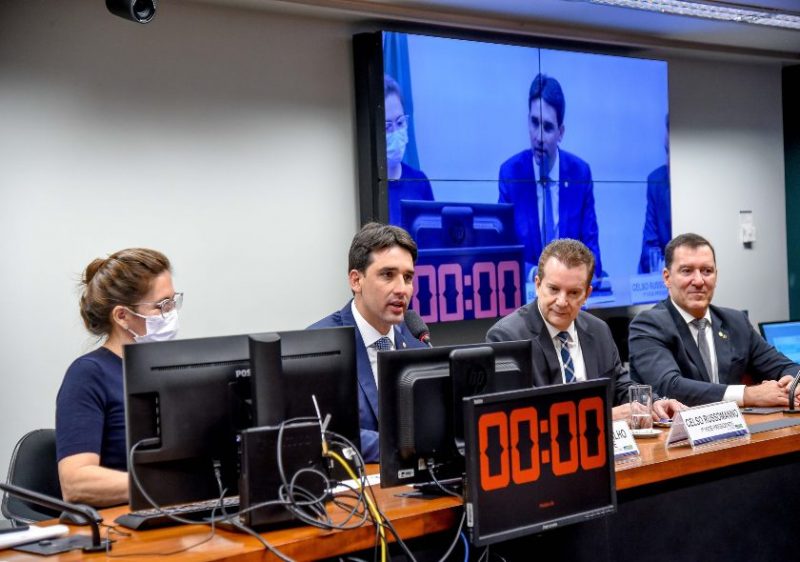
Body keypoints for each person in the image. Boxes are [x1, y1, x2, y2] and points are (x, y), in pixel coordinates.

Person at [487, 238, 683, 421]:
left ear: (587, 294)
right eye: (553, 289)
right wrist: (606, 416)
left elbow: (620, 386)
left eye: (573, 292)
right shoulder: (507, 337)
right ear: (538, 285)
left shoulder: (598, 331)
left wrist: (653, 403)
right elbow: (521, 415)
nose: (561, 301)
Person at [56, 248, 181, 506]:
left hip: (177, 510)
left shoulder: (171, 368)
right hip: (121, 518)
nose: (171, 313)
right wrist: (166, 486)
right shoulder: (88, 374)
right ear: (122, 316)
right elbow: (75, 483)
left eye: (173, 302)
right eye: (162, 306)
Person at [629, 233, 800, 407]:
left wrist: (792, 384)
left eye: (707, 271)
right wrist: (747, 394)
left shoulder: (736, 322)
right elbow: (670, 387)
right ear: (667, 277)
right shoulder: (648, 325)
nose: (698, 281)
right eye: (687, 271)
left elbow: (787, 367)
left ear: (716, 276)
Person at [308, 223, 428, 462]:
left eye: (407, 277)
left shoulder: (418, 345)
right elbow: (325, 434)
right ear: (356, 280)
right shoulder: (318, 347)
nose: (401, 289)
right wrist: (405, 445)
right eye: (387, 275)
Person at [498, 74, 602, 281]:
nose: (539, 137)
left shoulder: (580, 174)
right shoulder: (511, 174)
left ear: (560, 132)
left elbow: (593, 256)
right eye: (534, 123)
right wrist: (535, 274)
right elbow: (503, 254)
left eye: (547, 127)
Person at [384, 74, 434, 226]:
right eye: (387, 126)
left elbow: (433, 236)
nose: (395, 132)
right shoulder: (368, 187)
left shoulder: (419, 182)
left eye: (400, 123)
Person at [638, 115, 671, 273]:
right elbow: (649, 250)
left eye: (674, 152)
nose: (669, 161)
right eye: (667, 151)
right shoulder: (656, 182)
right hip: (666, 278)